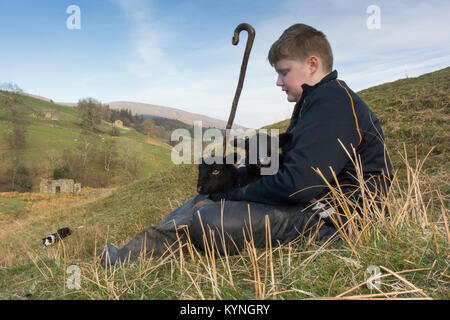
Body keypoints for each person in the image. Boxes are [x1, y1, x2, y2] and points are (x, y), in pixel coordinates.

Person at [99, 23, 392, 267]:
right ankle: (128, 256)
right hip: (314, 206)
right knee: (208, 203)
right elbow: (289, 166)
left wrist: (237, 192)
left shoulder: (333, 102)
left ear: (312, 64)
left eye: (284, 71)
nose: (278, 81)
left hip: (339, 220)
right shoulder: (312, 103)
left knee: (211, 219)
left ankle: (129, 258)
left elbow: (298, 184)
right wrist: (238, 175)